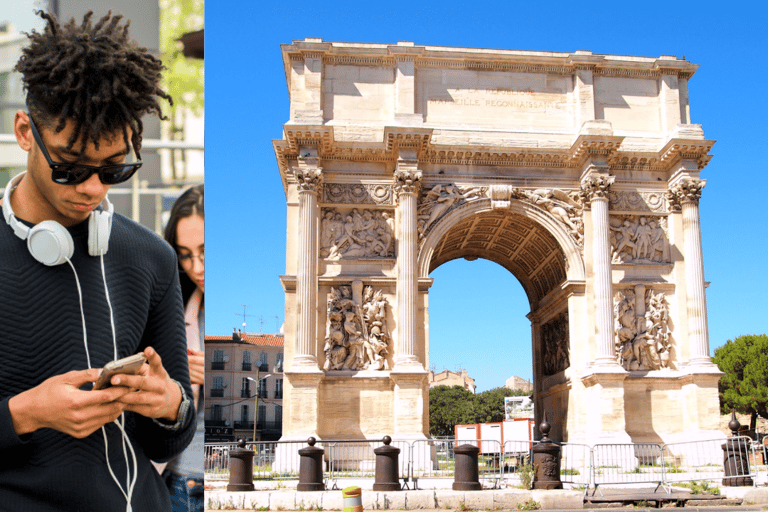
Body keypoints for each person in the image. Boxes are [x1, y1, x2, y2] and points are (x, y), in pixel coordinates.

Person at [0, 10, 195, 511]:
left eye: (115, 169)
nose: (92, 189)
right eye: (71, 168)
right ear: (26, 131)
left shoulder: (151, 255)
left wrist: (170, 405)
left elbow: (168, 441)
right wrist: (24, 414)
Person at [163, 184, 204, 512]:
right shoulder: (168, 306)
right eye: (186, 254)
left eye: (206, 251)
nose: (197, 267)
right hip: (181, 481)